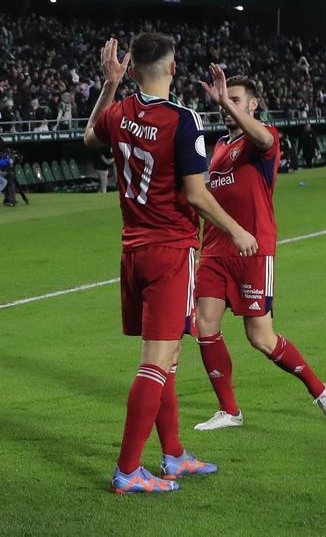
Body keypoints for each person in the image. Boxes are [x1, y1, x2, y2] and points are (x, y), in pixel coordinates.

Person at [83, 35, 257, 494]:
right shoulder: (183, 119)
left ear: (132, 69)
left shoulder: (119, 112)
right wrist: (237, 229)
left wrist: (109, 85)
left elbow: (88, 135)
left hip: (134, 250)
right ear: (174, 67)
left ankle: (175, 455)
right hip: (171, 251)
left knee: (170, 356)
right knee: (155, 363)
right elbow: (196, 194)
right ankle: (127, 470)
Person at [193, 71, 326, 431]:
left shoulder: (262, 139)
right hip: (214, 249)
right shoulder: (218, 148)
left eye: (235, 100)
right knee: (205, 325)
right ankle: (229, 410)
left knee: (260, 337)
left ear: (253, 104)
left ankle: (321, 391)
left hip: (253, 250)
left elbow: (260, 135)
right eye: (223, 100)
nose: (227, 107)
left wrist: (221, 99)